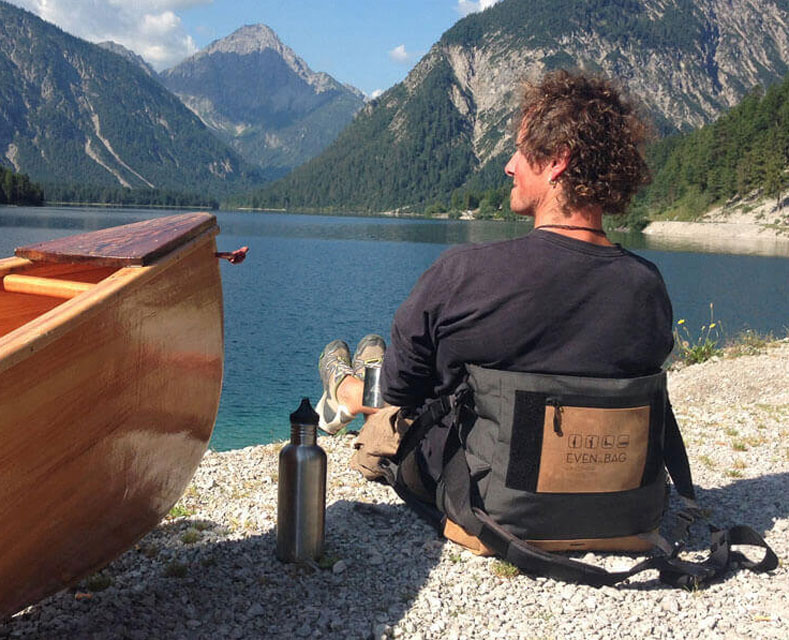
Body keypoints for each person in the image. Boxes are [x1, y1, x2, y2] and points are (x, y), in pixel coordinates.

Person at [317, 68, 675, 542]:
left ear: (557, 162)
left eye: (522, 152)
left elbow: (403, 391)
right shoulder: (646, 285)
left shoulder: (466, 272)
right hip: (624, 508)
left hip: (492, 503)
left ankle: (344, 389)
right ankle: (357, 376)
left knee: (387, 405)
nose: (509, 165)